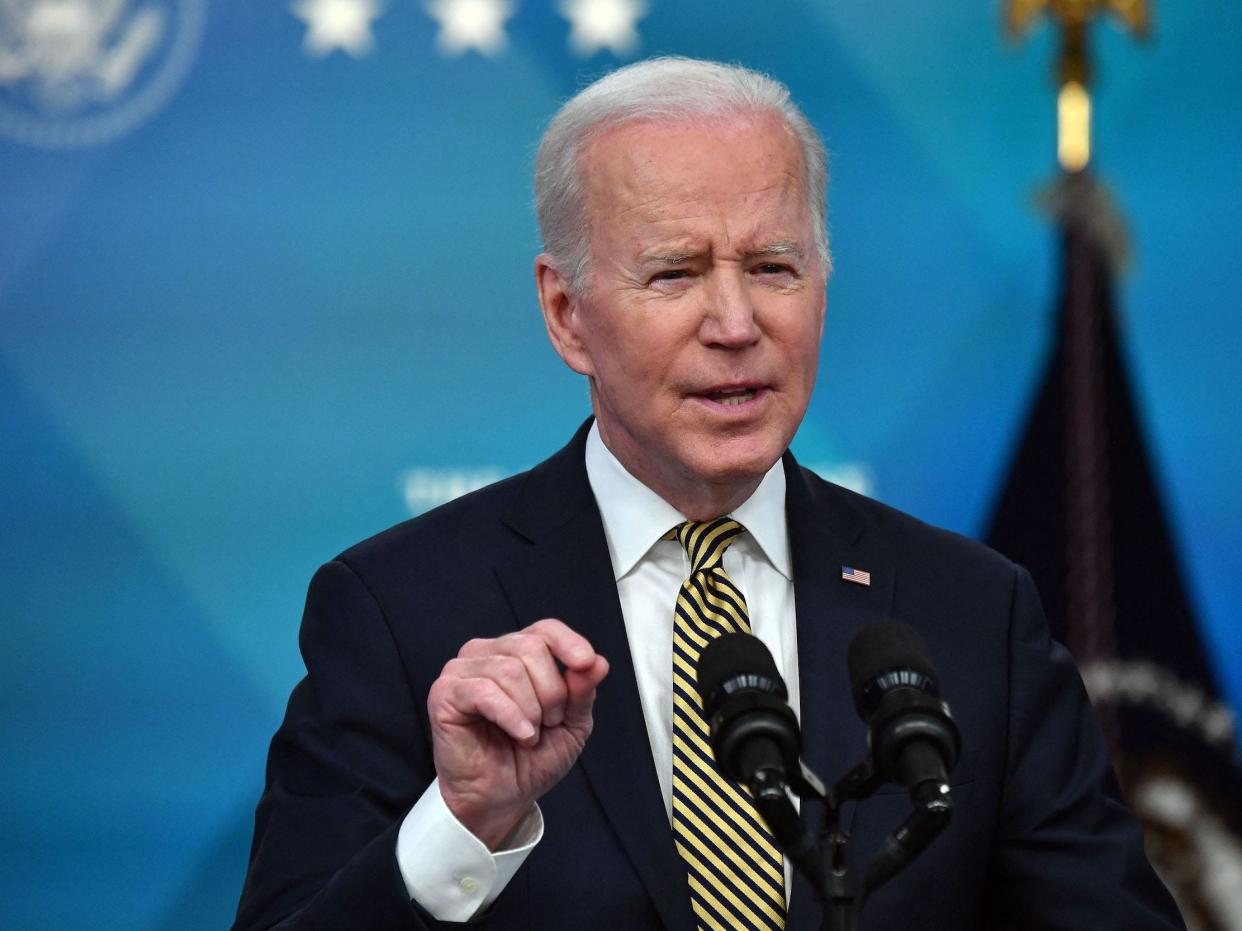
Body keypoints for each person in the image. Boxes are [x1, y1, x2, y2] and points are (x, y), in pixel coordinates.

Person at [232, 57, 1184, 930]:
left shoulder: (974, 614)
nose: (736, 323)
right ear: (567, 315)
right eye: (675, 273)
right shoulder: (404, 611)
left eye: (773, 267)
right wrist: (461, 824)